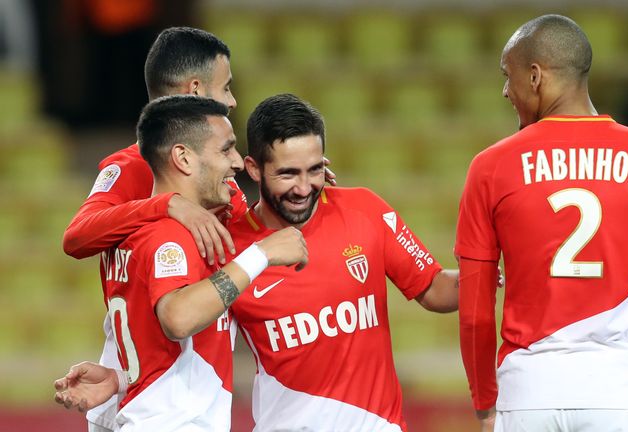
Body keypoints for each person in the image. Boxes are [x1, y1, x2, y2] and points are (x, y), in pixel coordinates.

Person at [56, 93, 463, 432]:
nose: (304, 187)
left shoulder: (363, 209)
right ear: (254, 169)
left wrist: (493, 269)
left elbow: (435, 288)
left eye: (314, 169)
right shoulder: (224, 244)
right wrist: (120, 376)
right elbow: (174, 324)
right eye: (287, 173)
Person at [455, 14, 628, 432]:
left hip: (527, 396)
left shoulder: (489, 168)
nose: (506, 90)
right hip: (625, 395)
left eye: (509, 76)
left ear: (536, 76)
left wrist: (487, 407)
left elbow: (474, 315)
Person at [56, 94, 308, 431]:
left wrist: (120, 378)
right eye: (225, 149)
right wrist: (262, 253)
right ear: (184, 158)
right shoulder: (169, 235)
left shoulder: (157, 230)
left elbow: (165, 350)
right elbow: (178, 318)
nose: (236, 162)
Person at [60, 27, 246, 432]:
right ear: (196, 91)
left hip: (149, 385)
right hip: (158, 406)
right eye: (226, 87)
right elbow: (76, 237)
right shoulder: (132, 166)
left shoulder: (218, 178)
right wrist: (167, 204)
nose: (232, 101)